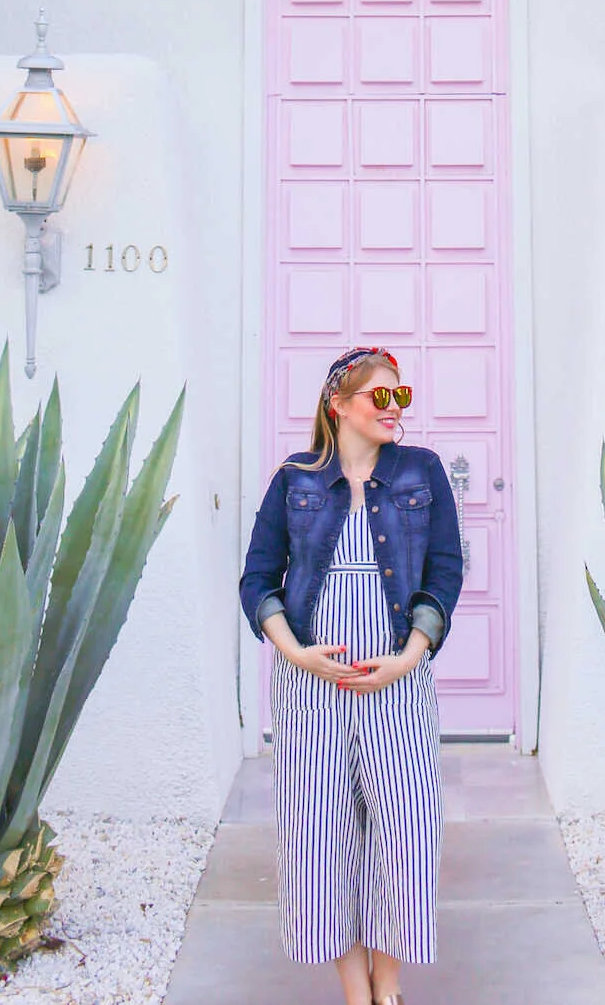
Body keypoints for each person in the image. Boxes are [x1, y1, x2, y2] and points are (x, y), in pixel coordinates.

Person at [240, 345, 464, 1005]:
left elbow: (445, 570)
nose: (394, 408)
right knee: (319, 839)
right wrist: (296, 653)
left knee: (407, 833)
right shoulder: (295, 480)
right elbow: (258, 579)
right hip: (311, 687)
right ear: (338, 404)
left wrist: (410, 656)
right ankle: (355, 992)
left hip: (398, 680)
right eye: (380, 396)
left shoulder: (422, 471)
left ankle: (388, 987)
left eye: (401, 395)